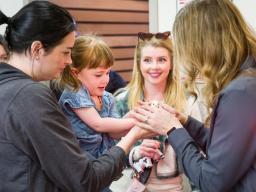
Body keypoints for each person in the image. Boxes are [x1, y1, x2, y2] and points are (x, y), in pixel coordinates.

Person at [0, 1, 155, 192]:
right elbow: (84, 180)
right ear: (37, 49)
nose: (69, 61)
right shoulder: (29, 96)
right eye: (65, 52)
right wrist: (135, 133)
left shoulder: (9, 89)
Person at [133, 0, 256, 191]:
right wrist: (186, 123)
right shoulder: (247, 79)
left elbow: (211, 181)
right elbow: (229, 151)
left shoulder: (240, 91)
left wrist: (172, 130)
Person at [114, 31, 202, 191]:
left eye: (161, 60)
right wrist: (135, 152)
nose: (154, 67)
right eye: (147, 60)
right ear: (139, 63)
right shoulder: (121, 101)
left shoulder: (187, 101)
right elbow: (107, 155)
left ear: (171, 64)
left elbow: (198, 156)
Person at [58, 35, 134, 160]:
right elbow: (98, 124)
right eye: (98, 75)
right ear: (75, 73)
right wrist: (135, 122)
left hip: (103, 163)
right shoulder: (74, 93)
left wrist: (133, 117)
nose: (106, 79)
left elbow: (114, 133)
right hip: (80, 163)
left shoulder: (108, 98)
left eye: (108, 72)